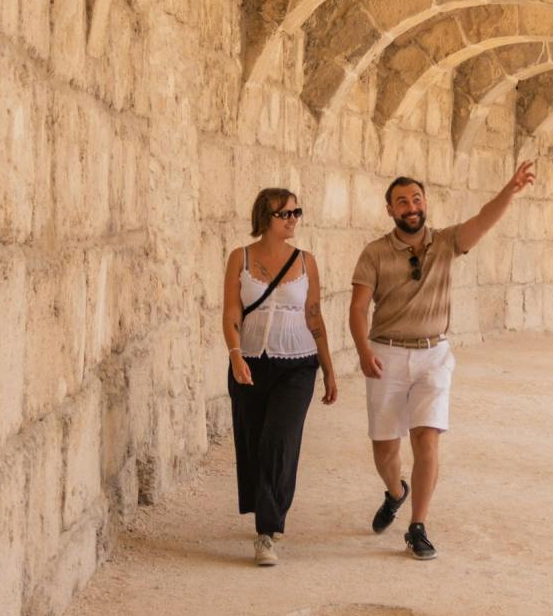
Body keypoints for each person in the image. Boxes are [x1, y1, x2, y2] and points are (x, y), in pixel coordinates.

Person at [348, 162, 536, 559]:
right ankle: (396, 492)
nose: (411, 206)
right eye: (402, 202)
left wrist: (510, 189)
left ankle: (417, 526)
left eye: (416, 199)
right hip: (387, 354)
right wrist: (363, 351)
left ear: (425, 203)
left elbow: (483, 221)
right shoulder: (375, 253)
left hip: (434, 355)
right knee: (385, 448)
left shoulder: (446, 243)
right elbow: (358, 307)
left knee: (426, 437)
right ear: (390, 210)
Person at [222, 187, 337, 566]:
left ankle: (267, 532)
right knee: (254, 441)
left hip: (298, 363)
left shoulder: (306, 261)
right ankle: (264, 511)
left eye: (296, 212)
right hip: (251, 361)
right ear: (265, 219)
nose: (293, 219)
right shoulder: (240, 258)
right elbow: (231, 312)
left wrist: (329, 370)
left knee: (279, 440)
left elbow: (314, 316)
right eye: (285, 213)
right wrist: (236, 355)